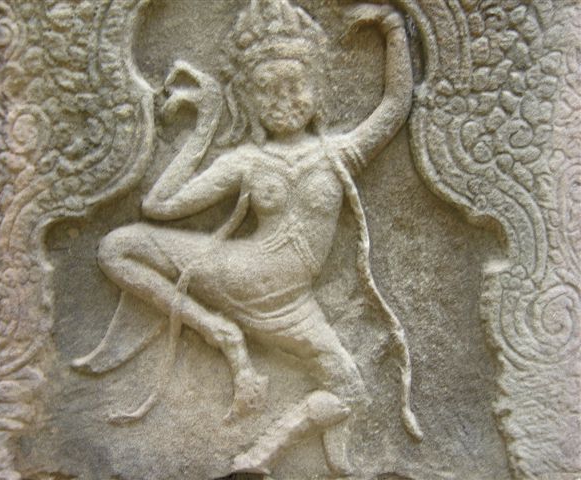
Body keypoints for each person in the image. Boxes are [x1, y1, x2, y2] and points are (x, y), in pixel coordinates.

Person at [74, 0, 420, 476]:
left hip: (294, 306)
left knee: (350, 391)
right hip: (237, 272)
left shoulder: (340, 154)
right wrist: (205, 124)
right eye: (267, 90)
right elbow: (159, 205)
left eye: (295, 85)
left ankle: (262, 454)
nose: (284, 99)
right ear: (248, 100)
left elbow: (395, 106)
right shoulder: (246, 162)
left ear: (319, 89)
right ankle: (216, 330)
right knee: (118, 247)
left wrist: (394, 30)